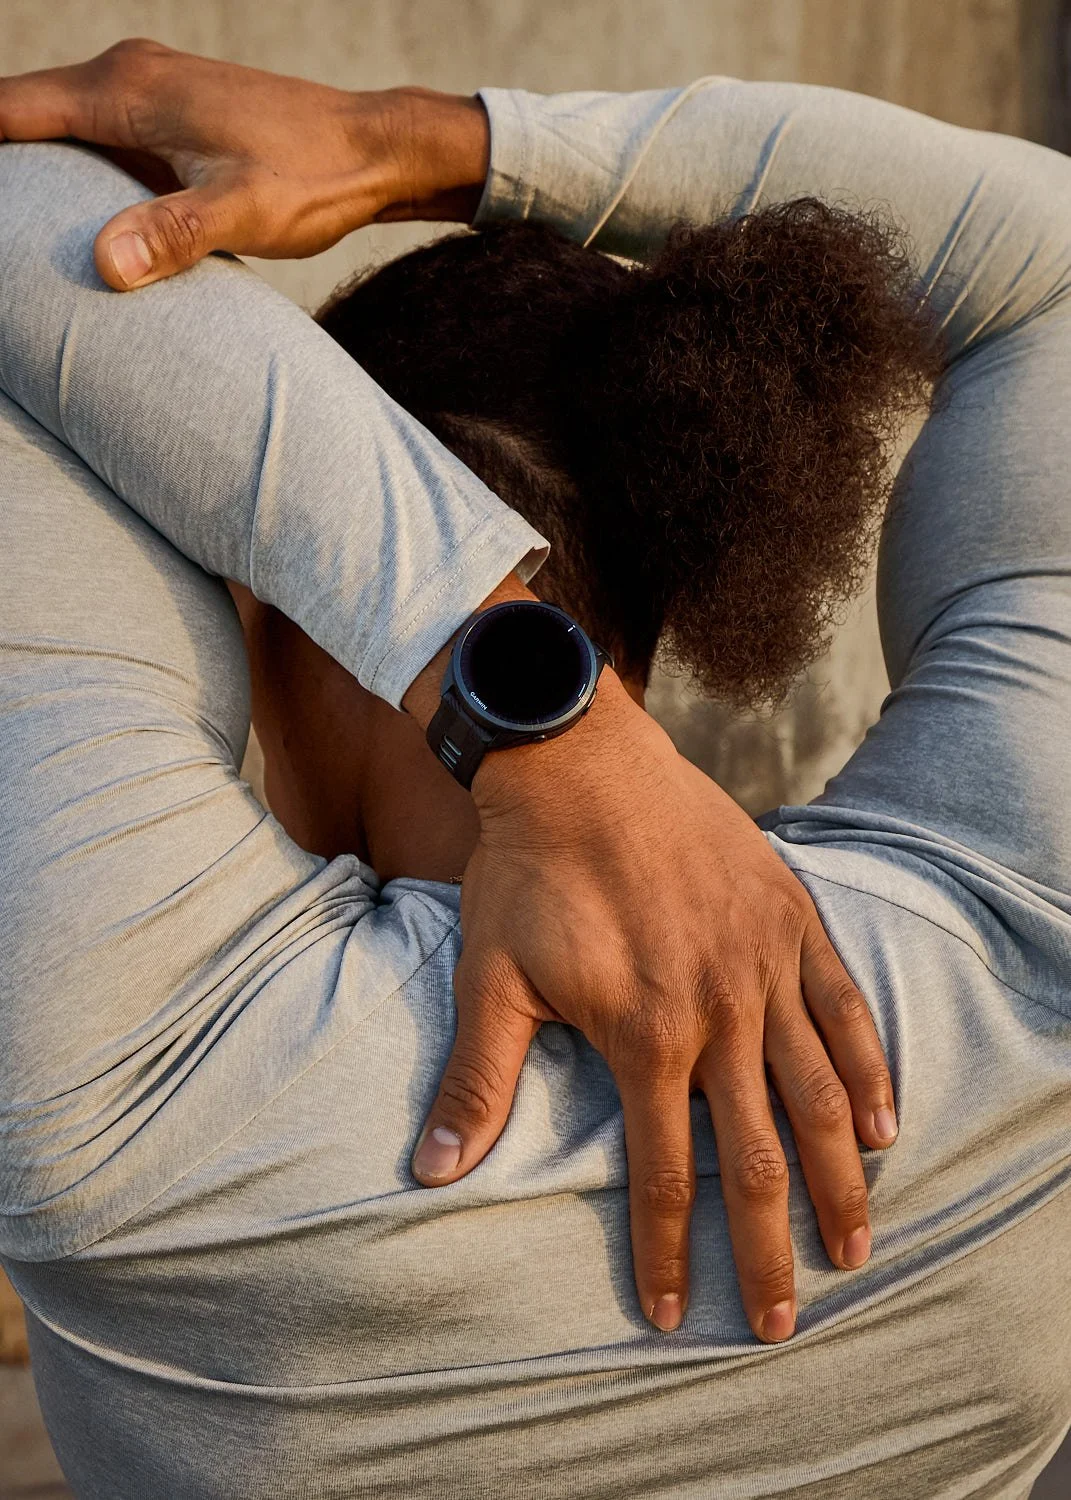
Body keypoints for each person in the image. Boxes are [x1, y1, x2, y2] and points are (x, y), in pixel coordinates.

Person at [0, 43, 1068, 1500]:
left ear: (272, 598)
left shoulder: (135, 1075)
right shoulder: (1020, 955)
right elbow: (1045, 264)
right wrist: (417, 143)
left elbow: (25, 215)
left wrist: (515, 701)